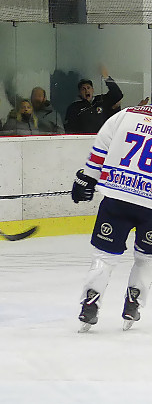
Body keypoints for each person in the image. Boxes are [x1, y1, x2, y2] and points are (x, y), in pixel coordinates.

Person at [70, 99, 152, 332]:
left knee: (104, 256)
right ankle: (134, 301)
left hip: (116, 199)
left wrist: (86, 178)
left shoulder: (124, 115)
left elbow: (100, 149)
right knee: (146, 258)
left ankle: (90, 303)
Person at [65, 67, 123, 134]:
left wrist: (106, 77)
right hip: (83, 140)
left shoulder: (101, 100)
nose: (86, 90)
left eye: (88, 88)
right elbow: (69, 129)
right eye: (83, 89)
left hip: (102, 139)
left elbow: (117, 95)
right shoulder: (74, 107)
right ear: (79, 92)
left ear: (93, 90)